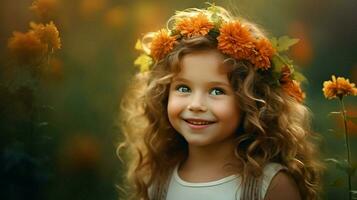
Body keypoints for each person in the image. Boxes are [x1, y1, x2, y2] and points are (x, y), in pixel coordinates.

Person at [119, 4, 323, 200]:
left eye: (217, 91)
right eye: (183, 88)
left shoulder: (271, 186)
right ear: (163, 95)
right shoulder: (158, 181)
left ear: (250, 101)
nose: (196, 104)